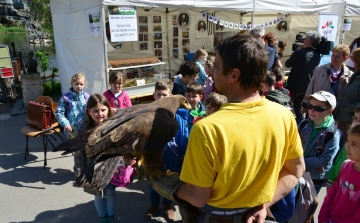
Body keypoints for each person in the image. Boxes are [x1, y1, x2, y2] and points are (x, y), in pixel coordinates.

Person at [175, 34, 305, 223]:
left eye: (217, 67)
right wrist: (263, 203)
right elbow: (296, 170)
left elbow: (197, 196)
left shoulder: (207, 129)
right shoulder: (283, 115)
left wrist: (168, 186)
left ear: (234, 75)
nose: (212, 73)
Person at [144, 80, 189, 222]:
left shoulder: (179, 117)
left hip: (173, 156)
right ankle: (154, 205)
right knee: (153, 181)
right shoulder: (147, 116)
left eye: (165, 95)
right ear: (154, 95)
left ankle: (168, 206)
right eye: (159, 95)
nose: (162, 98)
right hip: (153, 156)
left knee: (170, 182)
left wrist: (184, 157)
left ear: (171, 96)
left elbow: (184, 137)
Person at [74, 94, 116, 223]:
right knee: (97, 194)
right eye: (95, 111)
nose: (100, 114)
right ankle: (103, 218)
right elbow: (78, 153)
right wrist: (79, 171)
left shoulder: (114, 125)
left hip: (109, 168)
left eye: (103, 110)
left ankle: (110, 217)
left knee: (110, 192)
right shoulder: (82, 129)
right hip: (91, 168)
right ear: (89, 111)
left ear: (108, 109)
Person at [299, 91, 341, 193]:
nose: (312, 110)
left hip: (315, 177)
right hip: (298, 170)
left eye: (318, 108)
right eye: (310, 106)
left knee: (306, 204)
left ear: (329, 111)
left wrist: (300, 162)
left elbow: (325, 159)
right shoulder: (304, 124)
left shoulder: (333, 133)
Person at [318, 123, 360, 223]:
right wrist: (323, 216)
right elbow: (332, 193)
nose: (347, 146)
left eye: (354, 144)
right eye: (348, 141)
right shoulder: (346, 165)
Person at [285, 31, 321, 123]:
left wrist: (297, 51)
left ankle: (290, 123)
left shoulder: (299, 53)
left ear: (309, 41)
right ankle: (300, 123)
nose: (303, 41)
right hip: (307, 86)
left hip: (293, 85)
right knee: (299, 107)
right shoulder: (317, 55)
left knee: (288, 106)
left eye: (305, 40)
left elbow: (287, 64)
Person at [303, 44, 352, 109]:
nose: (334, 58)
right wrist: (306, 105)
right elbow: (311, 86)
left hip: (337, 109)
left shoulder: (349, 74)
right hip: (318, 108)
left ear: (345, 58)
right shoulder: (320, 69)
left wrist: (347, 84)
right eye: (333, 55)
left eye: (337, 56)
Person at [327, 105, 360, 190]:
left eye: (355, 144)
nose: (356, 123)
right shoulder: (350, 141)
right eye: (355, 118)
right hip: (338, 183)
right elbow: (338, 160)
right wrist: (331, 180)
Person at [333, 48, 360, 142]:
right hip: (343, 117)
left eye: (354, 58)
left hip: (352, 120)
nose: (351, 59)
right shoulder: (356, 75)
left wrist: (348, 108)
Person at [55, 73, 89, 138]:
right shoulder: (65, 98)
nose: (79, 86)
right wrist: (66, 124)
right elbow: (58, 113)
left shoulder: (86, 97)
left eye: (81, 84)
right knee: (73, 146)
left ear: (84, 85)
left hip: (85, 128)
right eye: (76, 84)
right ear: (72, 83)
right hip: (71, 129)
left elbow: (91, 110)